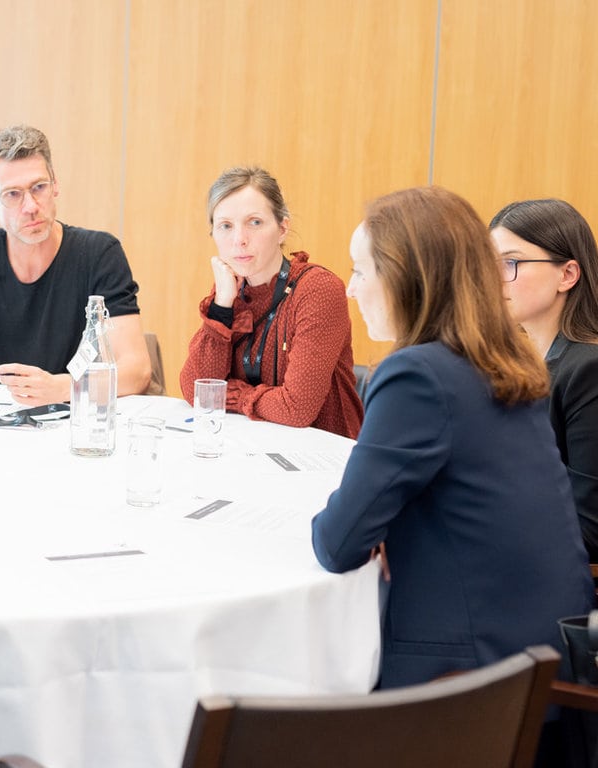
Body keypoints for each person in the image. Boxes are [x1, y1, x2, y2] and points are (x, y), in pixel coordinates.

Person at [311, 186, 594, 691]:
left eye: (360, 270)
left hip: (472, 679)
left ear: (405, 276)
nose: (350, 290)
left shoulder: (416, 375)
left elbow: (338, 544)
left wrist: (371, 520)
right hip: (541, 651)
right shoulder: (507, 359)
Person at [0, 125, 151, 406]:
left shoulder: (99, 254)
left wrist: (63, 387)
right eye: (12, 194)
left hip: (73, 418)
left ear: (55, 185)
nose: (30, 206)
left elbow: (137, 371)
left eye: (39, 187)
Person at [179, 166, 363, 439]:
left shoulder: (318, 289)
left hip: (320, 452)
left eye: (254, 222)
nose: (239, 240)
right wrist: (222, 305)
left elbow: (297, 408)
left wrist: (233, 394)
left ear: (282, 229)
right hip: (251, 448)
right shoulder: (230, 287)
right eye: (226, 226)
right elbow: (197, 390)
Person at [490, 199, 598, 562]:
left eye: (510, 263)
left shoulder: (588, 369)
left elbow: (589, 527)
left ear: (567, 275)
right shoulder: (513, 364)